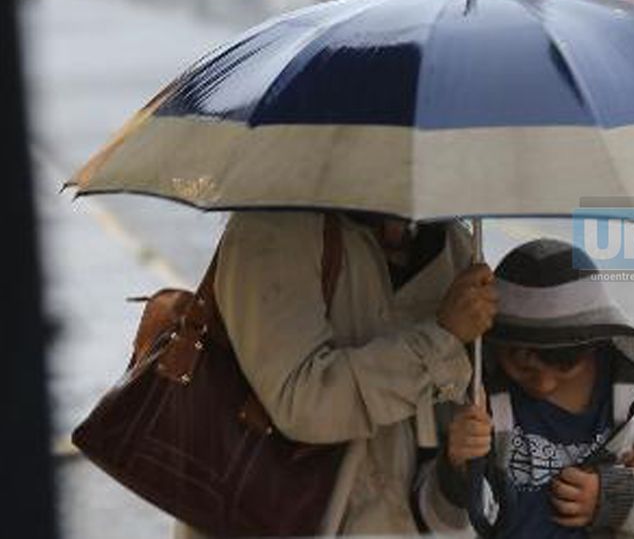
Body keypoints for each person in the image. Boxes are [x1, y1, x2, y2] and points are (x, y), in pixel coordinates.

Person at [173, 210, 497, 538]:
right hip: (276, 515)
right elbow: (302, 402)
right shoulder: (274, 227)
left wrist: (460, 460)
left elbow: (454, 426)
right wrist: (441, 339)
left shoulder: (453, 245)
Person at [414, 238, 634, 537]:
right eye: (524, 368)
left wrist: (614, 496)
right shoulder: (474, 396)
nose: (544, 384)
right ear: (495, 344)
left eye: (565, 369)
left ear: (596, 346)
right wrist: (458, 468)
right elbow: (439, 523)